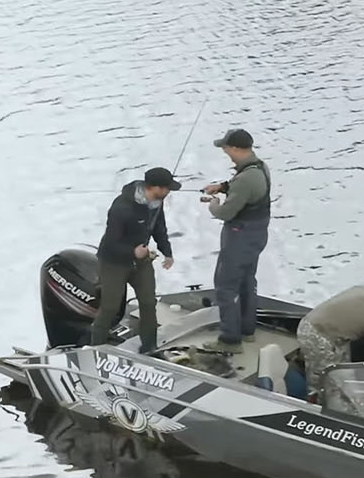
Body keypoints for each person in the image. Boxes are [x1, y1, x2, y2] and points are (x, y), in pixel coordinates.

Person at [87, 166, 180, 351]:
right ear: (155, 188)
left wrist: (167, 252)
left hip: (141, 262)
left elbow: (159, 229)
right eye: (167, 188)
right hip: (114, 262)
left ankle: (150, 348)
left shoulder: (156, 204)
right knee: (110, 307)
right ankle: (95, 350)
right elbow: (112, 242)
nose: (169, 192)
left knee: (148, 303)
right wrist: (132, 252)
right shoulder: (121, 207)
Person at [199, 128, 272, 349]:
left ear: (236, 149)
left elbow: (225, 213)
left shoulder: (246, 178)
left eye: (226, 148)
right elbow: (243, 187)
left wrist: (213, 204)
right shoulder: (260, 167)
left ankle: (230, 339)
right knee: (247, 281)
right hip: (258, 235)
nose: (224, 151)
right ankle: (248, 330)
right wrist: (222, 187)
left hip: (239, 238)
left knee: (225, 286)